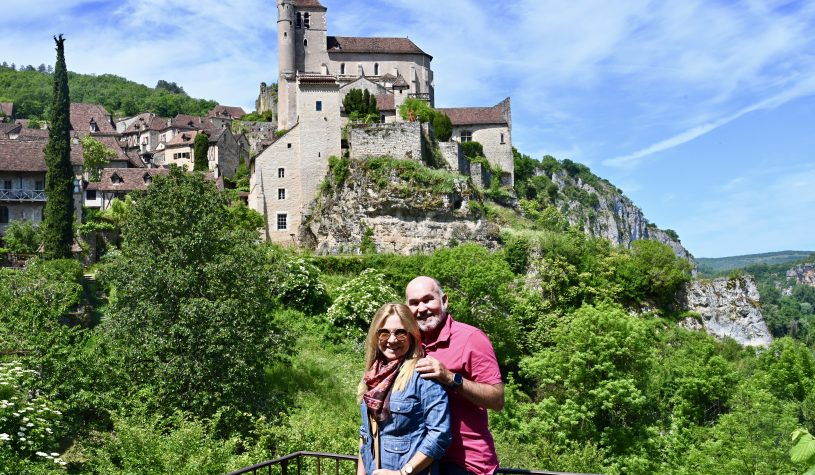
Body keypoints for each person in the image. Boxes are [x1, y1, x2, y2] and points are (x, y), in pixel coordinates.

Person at [405, 276, 504, 475]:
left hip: (466, 464)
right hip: (423, 462)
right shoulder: (408, 343)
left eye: (427, 300)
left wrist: (450, 378)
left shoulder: (471, 338)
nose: (421, 308)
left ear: (444, 300)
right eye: (414, 303)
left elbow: (497, 400)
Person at [358, 303, 451, 475]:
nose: (392, 340)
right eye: (384, 332)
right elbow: (365, 436)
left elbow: (440, 434)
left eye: (400, 333)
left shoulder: (422, 375)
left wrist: (403, 472)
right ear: (375, 336)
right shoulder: (372, 377)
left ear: (412, 336)